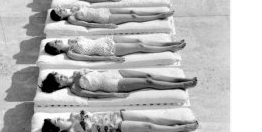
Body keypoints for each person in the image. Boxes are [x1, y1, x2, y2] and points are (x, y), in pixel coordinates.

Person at [41, 110, 199, 132]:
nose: (58, 118)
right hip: (116, 128)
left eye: (55, 118)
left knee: (148, 117)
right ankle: (181, 128)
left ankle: (181, 122)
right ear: (58, 130)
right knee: (148, 125)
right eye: (56, 122)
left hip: (116, 115)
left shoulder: (73, 115)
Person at [39, 68, 197, 96]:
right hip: (112, 85)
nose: (61, 75)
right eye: (58, 77)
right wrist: (114, 95)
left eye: (58, 74)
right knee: (148, 81)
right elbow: (95, 96)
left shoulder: (75, 73)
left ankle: (183, 79)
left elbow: (98, 71)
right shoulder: (74, 88)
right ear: (58, 85)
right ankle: (180, 85)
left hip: (114, 73)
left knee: (149, 74)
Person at [44, 35, 185, 62]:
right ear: (57, 50)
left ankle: (171, 44)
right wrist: (111, 58)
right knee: (140, 47)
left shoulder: (71, 40)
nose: (57, 40)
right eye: (55, 43)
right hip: (106, 50)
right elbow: (91, 58)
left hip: (106, 39)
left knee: (139, 41)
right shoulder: (71, 53)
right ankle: (171, 48)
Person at [49, 4, 174, 28]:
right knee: (133, 17)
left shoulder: (72, 9)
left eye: (60, 9)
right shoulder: (71, 19)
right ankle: (159, 16)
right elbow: (88, 24)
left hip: (105, 10)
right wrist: (107, 26)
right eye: (60, 12)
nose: (61, 10)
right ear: (60, 17)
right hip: (104, 18)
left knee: (131, 11)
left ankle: (158, 13)